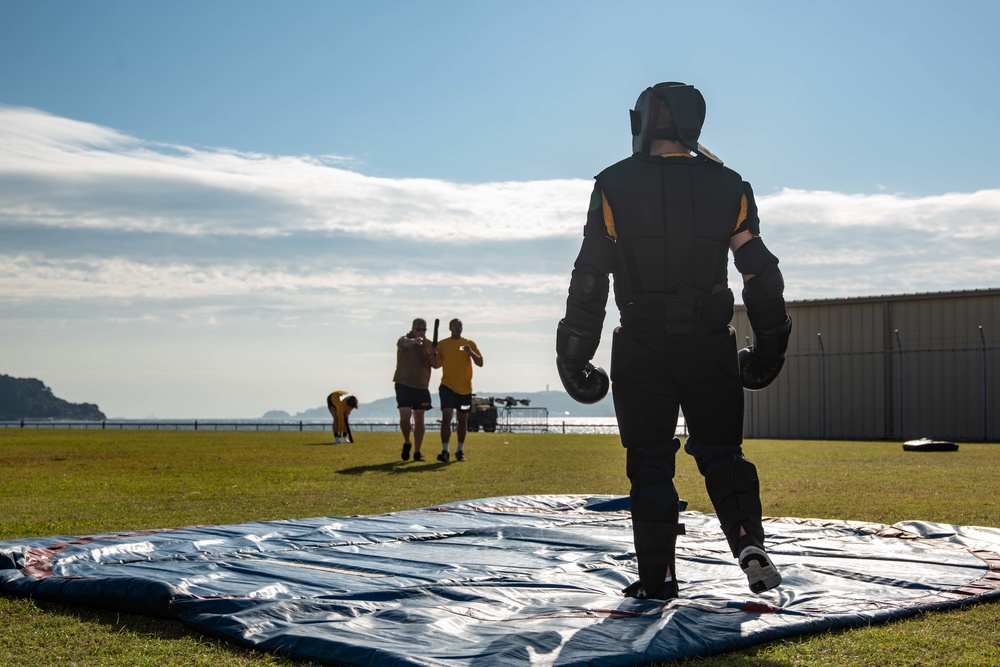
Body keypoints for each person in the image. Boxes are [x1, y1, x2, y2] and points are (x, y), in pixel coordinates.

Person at [555, 82, 792, 600]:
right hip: (711, 341)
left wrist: (574, 354)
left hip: (642, 342)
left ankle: (659, 575)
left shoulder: (613, 184)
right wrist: (771, 344)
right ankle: (749, 544)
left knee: (650, 460)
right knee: (723, 452)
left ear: (644, 119)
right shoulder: (730, 185)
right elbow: (759, 273)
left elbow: (590, 275)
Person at [433, 319, 483, 462]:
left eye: (460, 325)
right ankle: (445, 451)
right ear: (450, 328)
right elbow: (434, 365)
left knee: (462, 419)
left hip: (465, 390)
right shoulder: (443, 344)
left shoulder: (467, 344)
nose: (457, 328)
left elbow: (480, 363)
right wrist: (433, 353)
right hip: (447, 387)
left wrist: (470, 352)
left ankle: (459, 451)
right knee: (446, 417)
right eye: (455, 325)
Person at [394, 318, 435, 462]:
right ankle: (407, 442)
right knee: (405, 417)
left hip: (422, 386)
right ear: (412, 328)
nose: (421, 332)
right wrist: (414, 341)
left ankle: (417, 451)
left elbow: (436, 364)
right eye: (419, 329)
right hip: (403, 384)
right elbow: (405, 343)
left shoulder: (429, 344)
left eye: (424, 329)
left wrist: (433, 353)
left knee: (419, 417)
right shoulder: (404, 339)